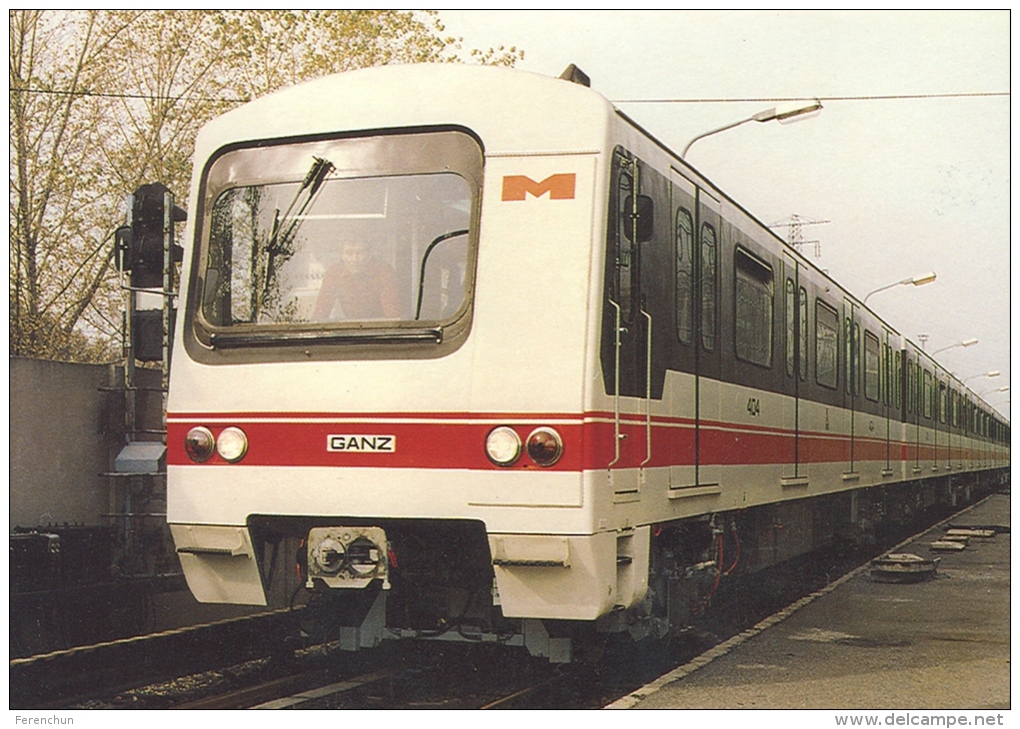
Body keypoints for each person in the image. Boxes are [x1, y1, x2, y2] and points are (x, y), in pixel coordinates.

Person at [311, 240, 401, 320]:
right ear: (341, 255)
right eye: (349, 253)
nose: (354, 259)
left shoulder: (383, 271)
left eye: (360, 253)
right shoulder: (334, 273)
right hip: (352, 330)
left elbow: (393, 316)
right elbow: (321, 312)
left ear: (369, 254)